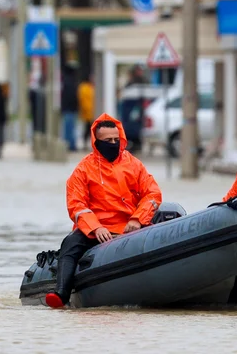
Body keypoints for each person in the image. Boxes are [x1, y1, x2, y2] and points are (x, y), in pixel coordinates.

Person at [45, 114, 163, 309]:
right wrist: (95, 228)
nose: (113, 144)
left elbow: (153, 193)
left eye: (117, 140)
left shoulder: (133, 164)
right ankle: (62, 293)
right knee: (70, 244)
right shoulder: (83, 169)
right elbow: (76, 204)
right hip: (96, 229)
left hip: (130, 226)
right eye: (108, 141)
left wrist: (137, 219)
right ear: (96, 142)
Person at [59, 67, 80, 150]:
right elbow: (73, 97)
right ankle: (71, 145)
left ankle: (68, 144)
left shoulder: (65, 82)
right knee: (71, 128)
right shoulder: (72, 83)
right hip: (71, 108)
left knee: (68, 128)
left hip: (67, 108)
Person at [77, 73, 95, 147]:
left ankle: (88, 143)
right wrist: (86, 110)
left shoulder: (92, 87)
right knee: (87, 128)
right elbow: (83, 100)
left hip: (92, 112)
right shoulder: (84, 87)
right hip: (87, 112)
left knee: (90, 129)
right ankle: (85, 142)